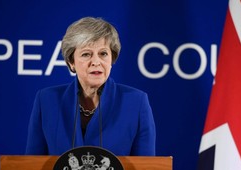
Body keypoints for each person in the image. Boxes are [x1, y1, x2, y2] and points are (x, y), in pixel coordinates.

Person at [25, 17, 156, 156]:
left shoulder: (136, 102)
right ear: (71, 62)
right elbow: (32, 167)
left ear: (112, 58)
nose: (96, 62)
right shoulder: (46, 100)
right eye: (86, 54)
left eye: (103, 54)